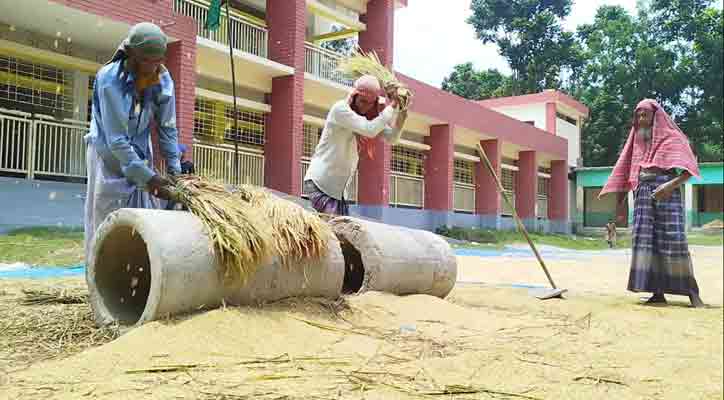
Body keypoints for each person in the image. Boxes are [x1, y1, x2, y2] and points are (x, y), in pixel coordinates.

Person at [84, 22, 181, 261]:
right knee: (109, 219)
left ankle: (138, 275)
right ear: (132, 54)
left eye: (157, 60)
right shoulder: (110, 80)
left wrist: (176, 174)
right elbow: (116, 140)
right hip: (107, 155)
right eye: (146, 60)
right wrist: (148, 178)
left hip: (139, 151)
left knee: (143, 218)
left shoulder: (163, 80)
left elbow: (167, 129)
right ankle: (103, 274)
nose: (152, 67)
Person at [599, 99, 704, 307]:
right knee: (646, 242)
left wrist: (669, 187)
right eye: (637, 116)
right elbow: (625, 167)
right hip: (643, 193)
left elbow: (689, 171)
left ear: (655, 116)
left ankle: (692, 293)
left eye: (644, 115)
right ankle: (657, 292)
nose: (640, 120)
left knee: (674, 241)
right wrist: (619, 196)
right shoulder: (636, 141)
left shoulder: (673, 138)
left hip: (667, 192)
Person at [303, 75, 408, 216]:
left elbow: (392, 138)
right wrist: (393, 105)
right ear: (354, 95)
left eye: (370, 103)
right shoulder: (340, 109)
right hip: (320, 183)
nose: (366, 106)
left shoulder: (369, 120)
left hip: (338, 192)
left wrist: (402, 111)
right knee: (333, 231)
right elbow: (369, 130)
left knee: (339, 233)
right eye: (362, 101)